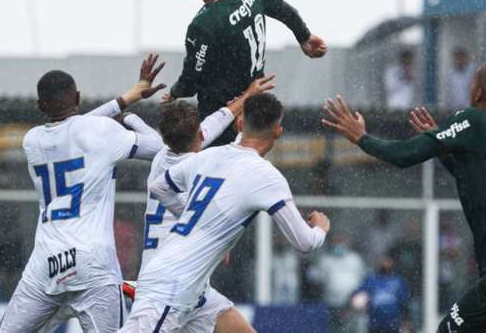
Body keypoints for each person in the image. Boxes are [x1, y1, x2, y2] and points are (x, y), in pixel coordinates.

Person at [321, 60, 486, 332]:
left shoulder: (473, 119)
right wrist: (443, 143)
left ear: (478, 93)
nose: (470, 86)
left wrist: (362, 137)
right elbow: (477, 180)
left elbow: (403, 155)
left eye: (473, 81)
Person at [121, 93, 330, 332]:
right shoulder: (267, 176)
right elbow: (305, 242)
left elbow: (160, 186)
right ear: (278, 132)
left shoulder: (209, 155)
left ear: (240, 124)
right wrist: (320, 228)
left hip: (194, 291)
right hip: (170, 289)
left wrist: (197, 221)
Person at [0, 55, 166, 333]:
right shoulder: (102, 132)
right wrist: (131, 115)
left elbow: (70, 128)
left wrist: (125, 98)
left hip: (46, 264)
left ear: (40, 106)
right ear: (77, 96)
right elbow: (160, 149)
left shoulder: (32, 141)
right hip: (93, 263)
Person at [130, 74, 275, 332]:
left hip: (193, 287)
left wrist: (247, 95)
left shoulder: (164, 157)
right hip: (166, 285)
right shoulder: (198, 169)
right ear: (199, 136)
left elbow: (218, 119)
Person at [164, 0, 327, 145]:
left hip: (222, 121)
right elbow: (281, 8)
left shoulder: (205, 25)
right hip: (252, 112)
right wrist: (304, 36)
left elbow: (192, 80)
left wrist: (174, 92)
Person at [350, 255, 410, 333]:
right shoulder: (371, 280)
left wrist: (406, 321)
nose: (385, 263)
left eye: (388, 261)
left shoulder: (398, 281)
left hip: (393, 325)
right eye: (383, 261)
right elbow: (358, 296)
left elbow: (404, 302)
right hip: (375, 325)